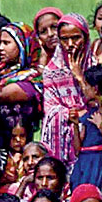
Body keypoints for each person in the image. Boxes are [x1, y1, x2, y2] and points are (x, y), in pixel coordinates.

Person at [41, 13, 93, 166]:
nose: (70, 44)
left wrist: (79, 76)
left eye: (76, 38)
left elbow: (98, 102)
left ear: (86, 37)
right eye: (64, 39)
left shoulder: (96, 66)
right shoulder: (51, 71)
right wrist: (72, 114)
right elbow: (50, 108)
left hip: (92, 133)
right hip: (65, 138)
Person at [0, 23, 42, 160]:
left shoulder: (31, 78)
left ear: (22, 45)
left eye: (6, 43)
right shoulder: (2, 73)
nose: (0, 48)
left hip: (20, 149)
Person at [70, 65, 102, 188]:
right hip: (84, 166)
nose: (84, 89)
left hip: (100, 164)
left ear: (96, 89)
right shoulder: (90, 114)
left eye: (87, 85)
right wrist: (75, 125)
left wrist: (101, 126)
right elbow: (77, 149)